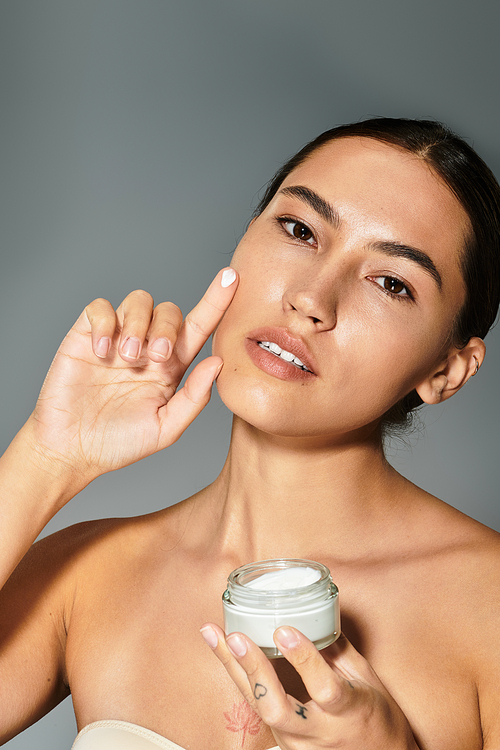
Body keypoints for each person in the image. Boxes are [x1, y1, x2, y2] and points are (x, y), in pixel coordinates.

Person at [1, 117, 499, 750]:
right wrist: (48, 456)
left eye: (391, 282)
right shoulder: (85, 577)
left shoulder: (490, 610)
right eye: (299, 230)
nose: (312, 297)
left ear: (447, 370)